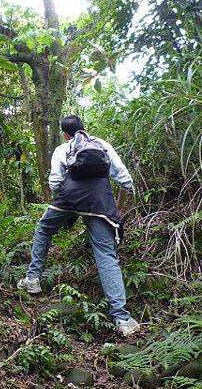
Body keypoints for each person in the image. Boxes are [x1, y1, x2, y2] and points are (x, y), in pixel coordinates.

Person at [18, 115, 140, 337]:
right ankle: (122, 319)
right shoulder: (102, 145)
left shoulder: (63, 149)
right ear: (84, 128)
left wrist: (66, 200)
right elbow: (126, 180)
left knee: (44, 229)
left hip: (69, 199)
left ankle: (33, 279)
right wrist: (117, 210)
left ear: (65, 133)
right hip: (99, 203)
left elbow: (54, 182)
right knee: (106, 255)